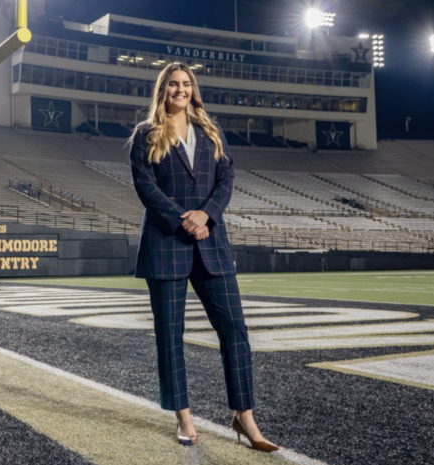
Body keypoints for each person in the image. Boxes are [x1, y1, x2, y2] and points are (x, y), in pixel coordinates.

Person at [128, 63, 278, 452]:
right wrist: (185, 219)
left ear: (193, 90)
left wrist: (206, 215)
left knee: (235, 331)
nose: (180, 89)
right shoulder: (146, 135)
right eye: (173, 84)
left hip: (211, 244)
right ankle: (183, 416)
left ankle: (244, 416)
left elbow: (226, 180)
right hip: (166, 244)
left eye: (186, 84)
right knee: (170, 337)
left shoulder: (212, 132)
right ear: (163, 90)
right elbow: (145, 189)